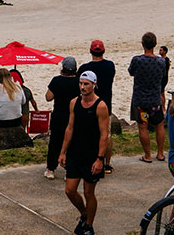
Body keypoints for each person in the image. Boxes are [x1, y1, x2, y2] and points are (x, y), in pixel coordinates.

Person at [58, 71, 110, 235]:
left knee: (89, 192)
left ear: (94, 85)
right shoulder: (74, 102)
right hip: (75, 152)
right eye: (80, 83)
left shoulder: (100, 106)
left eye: (86, 84)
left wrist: (100, 159)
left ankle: (89, 225)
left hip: (92, 155)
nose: (82, 87)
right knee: (70, 190)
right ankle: (84, 213)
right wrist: (63, 152)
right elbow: (70, 127)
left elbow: (104, 135)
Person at [77, 40, 116, 173]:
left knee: (89, 133)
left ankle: (89, 159)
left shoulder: (84, 68)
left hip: (88, 104)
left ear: (90, 51)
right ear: (103, 51)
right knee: (106, 134)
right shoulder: (110, 66)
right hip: (106, 104)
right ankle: (107, 163)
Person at [128, 32, 167, 163]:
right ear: (155, 44)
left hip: (140, 100)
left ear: (142, 44)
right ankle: (160, 153)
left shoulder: (137, 60)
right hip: (155, 99)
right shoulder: (161, 62)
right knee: (159, 125)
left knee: (143, 127)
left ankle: (148, 155)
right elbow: (163, 77)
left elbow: (131, 72)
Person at [45, 56, 81, 180]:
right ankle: (69, 170)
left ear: (63, 68)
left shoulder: (56, 80)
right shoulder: (79, 82)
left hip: (59, 115)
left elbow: (48, 97)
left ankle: (50, 169)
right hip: (73, 116)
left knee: (55, 142)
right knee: (73, 143)